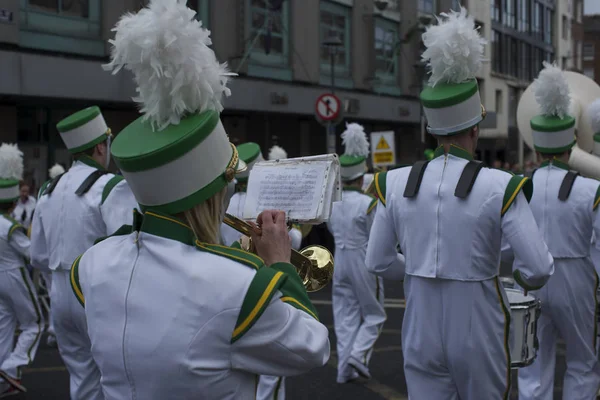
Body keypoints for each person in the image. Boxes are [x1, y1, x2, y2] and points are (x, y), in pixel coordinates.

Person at [69, 2, 330, 399]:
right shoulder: (235, 284)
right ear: (213, 192)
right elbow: (312, 347)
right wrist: (278, 265)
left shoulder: (93, 263)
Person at [365, 8, 554, 399]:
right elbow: (537, 268)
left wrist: (417, 266)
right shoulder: (500, 185)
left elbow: (378, 262)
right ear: (475, 126)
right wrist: (514, 279)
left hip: (418, 331)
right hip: (478, 329)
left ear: (431, 128)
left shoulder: (395, 182)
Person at [29, 106, 139, 400]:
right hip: (96, 292)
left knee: (82, 379)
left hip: (59, 296)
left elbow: (37, 255)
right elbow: (130, 248)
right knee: (118, 378)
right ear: (101, 146)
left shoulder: (48, 190)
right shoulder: (110, 186)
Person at [515, 63, 600, 400]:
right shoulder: (590, 190)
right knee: (582, 361)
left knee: (533, 362)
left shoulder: (518, 186)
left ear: (537, 149)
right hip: (577, 279)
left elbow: (507, 246)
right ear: (572, 144)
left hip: (532, 279)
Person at [328, 122, 386, 383]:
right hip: (362, 259)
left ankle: (344, 371)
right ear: (361, 174)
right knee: (374, 313)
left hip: (339, 259)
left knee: (345, 316)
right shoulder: (367, 203)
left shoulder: (333, 202)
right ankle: (359, 356)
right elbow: (378, 237)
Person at [0, 143, 43, 397]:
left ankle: (5, 379)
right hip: (14, 274)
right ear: (13, 201)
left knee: (4, 325)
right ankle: (12, 365)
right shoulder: (9, 226)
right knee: (34, 323)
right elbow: (31, 252)